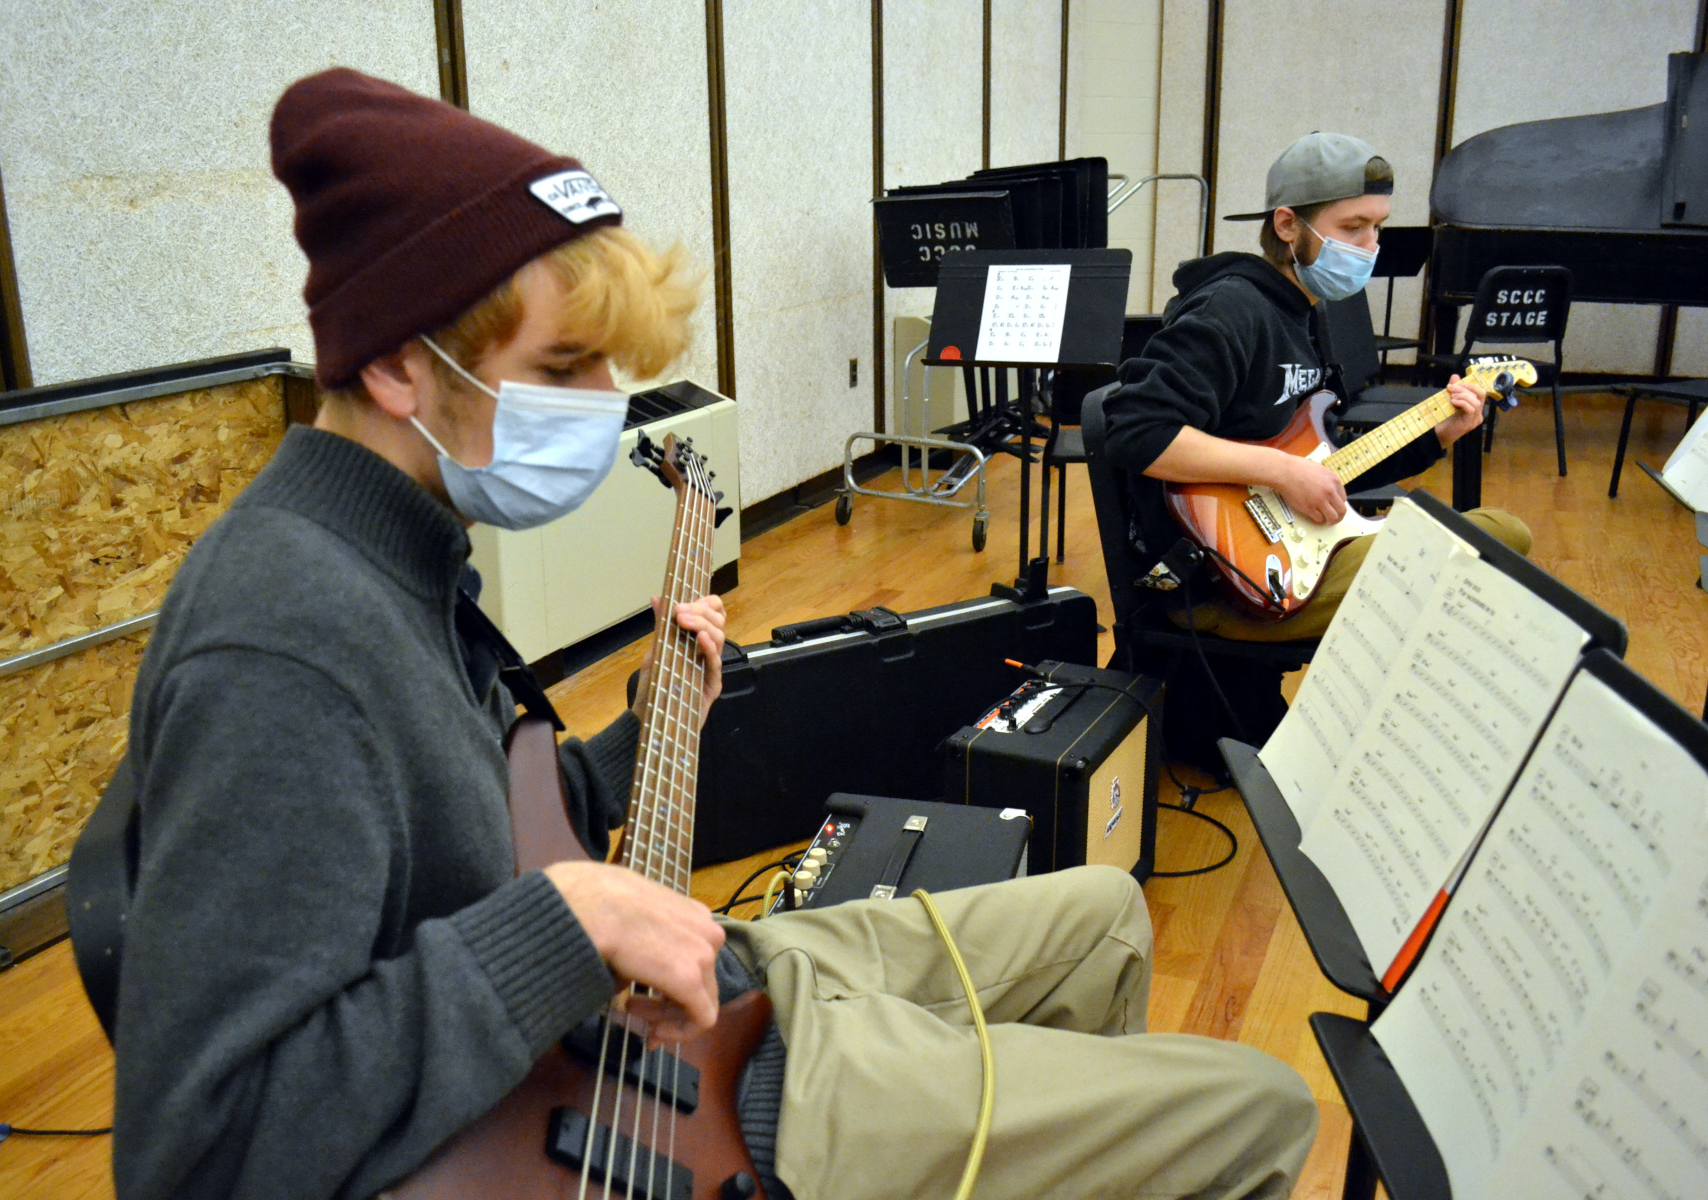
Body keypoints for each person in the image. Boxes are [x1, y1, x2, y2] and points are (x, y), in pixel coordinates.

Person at [106, 69, 1315, 1200]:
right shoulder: (281, 647)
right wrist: (573, 923)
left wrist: (645, 734)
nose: (605, 411)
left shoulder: (396, 548)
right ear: (391, 367)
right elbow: (207, 1143)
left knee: (1102, 908)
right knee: (1259, 1105)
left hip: (658, 1002)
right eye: (564, 366)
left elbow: (481, 838)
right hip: (642, 1096)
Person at [1099, 131, 1531, 644]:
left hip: (1287, 546)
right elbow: (1136, 431)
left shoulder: (1303, 312)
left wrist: (1436, 433)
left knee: (1495, 539)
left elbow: (1326, 464)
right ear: (1287, 225)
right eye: (1353, 227)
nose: (1371, 246)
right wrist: (1283, 472)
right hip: (1221, 582)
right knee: (1500, 535)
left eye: (1377, 227)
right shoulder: (1232, 310)